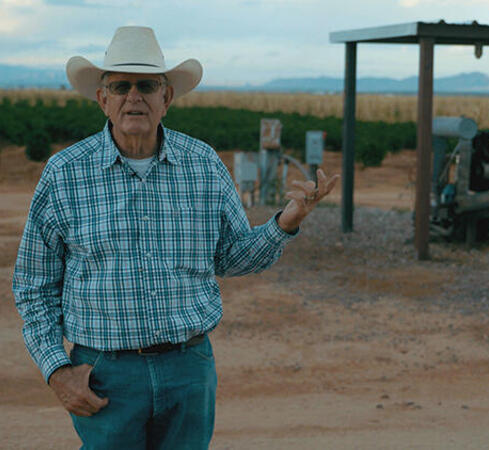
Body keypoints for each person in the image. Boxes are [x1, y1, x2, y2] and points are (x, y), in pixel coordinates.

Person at [12, 26, 338, 449]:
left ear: (166, 97)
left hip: (189, 368)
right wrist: (57, 370)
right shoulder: (64, 174)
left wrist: (285, 223)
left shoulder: (202, 163)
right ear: (102, 98)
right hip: (104, 372)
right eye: (121, 86)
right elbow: (33, 287)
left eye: (147, 85)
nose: (134, 97)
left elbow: (233, 256)